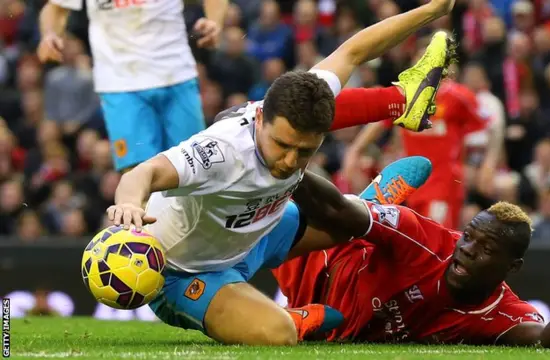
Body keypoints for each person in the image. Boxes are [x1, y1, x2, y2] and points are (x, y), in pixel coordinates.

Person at [106, 0, 457, 346]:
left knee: (351, 225)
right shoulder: (220, 152)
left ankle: (368, 201)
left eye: (304, 151)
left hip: (259, 230)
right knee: (277, 335)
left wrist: (432, 11)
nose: (290, 160)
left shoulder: (299, 100)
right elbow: (145, 172)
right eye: (281, 144)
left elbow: (353, 51)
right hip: (186, 272)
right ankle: (291, 316)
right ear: (260, 119)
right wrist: (129, 205)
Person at [274, 188, 550, 347]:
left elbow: (543, 339)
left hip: (332, 324)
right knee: (265, 231)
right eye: (468, 236)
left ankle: (372, 207)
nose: (467, 250)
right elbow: (336, 210)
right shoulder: (424, 238)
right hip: (325, 264)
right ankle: (370, 207)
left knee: (273, 325)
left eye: (486, 249)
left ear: (512, 267)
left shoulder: (501, 312)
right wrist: (292, 172)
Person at [37, 0, 229, 171]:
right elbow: (55, 8)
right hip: (121, 85)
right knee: (138, 173)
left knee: (194, 169)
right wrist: (49, 34)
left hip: (177, 76)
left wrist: (215, 22)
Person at [343, 78, 502, 229]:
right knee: (424, 240)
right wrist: (354, 150)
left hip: (443, 183)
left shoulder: (458, 96)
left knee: (436, 238)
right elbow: (381, 121)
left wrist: (488, 164)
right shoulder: (407, 96)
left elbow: (491, 126)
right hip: (412, 184)